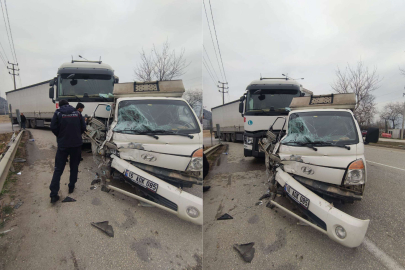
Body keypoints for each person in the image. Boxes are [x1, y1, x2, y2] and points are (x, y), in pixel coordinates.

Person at [49, 100, 86, 203]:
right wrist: (77, 134)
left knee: (58, 169)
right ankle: (71, 187)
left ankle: (53, 194)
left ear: (60, 105)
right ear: (68, 104)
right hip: (76, 145)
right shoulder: (78, 113)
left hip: (63, 146)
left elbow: (53, 127)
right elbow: (83, 127)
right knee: (74, 166)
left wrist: (60, 135)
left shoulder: (58, 113)